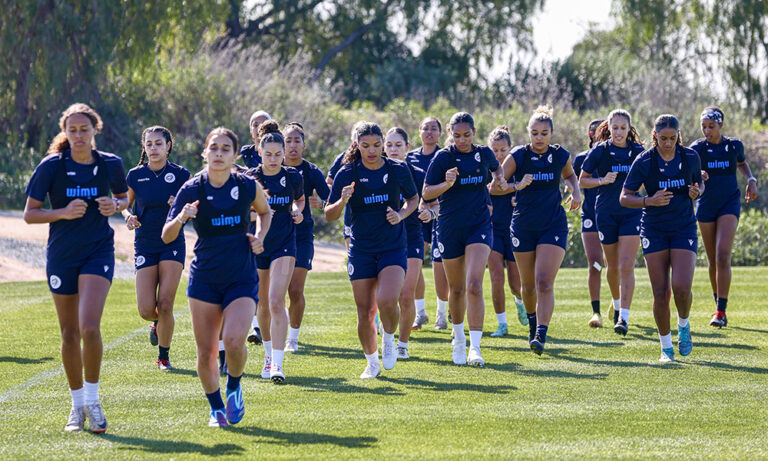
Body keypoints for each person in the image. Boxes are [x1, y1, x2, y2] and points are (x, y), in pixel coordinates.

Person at [24, 103, 129, 433]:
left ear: (95, 130)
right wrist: (63, 212)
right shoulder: (51, 167)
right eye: (73, 130)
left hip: (98, 252)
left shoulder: (110, 164)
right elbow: (30, 214)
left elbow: (125, 199)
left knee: (88, 327)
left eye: (85, 129)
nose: (79, 135)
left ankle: (95, 402)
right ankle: (77, 405)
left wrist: (117, 205)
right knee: (69, 332)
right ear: (65, 132)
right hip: (62, 255)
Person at [162, 127, 271, 426]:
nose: (219, 153)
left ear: (235, 155)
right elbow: (166, 234)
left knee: (235, 340)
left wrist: (260, 236)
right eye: (214, 148)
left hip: (241, 275)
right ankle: (215, 408)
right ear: (205, 153)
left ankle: (234, 387)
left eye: (225, 149)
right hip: (205, 278)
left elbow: (266, 212)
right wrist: (183, 217)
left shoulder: (247, 186)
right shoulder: (193, 188)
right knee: (207, 350)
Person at [325, 122, 418, 378]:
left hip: (392, 246)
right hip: (361, 249)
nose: (372, 150)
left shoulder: (397, 168)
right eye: (365, 146)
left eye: (377, 145)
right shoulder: (347, 173)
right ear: (357, 145)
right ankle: (372, 362)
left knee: (387, 299)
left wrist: (400, 215)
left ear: (383, 144)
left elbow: (413, 199)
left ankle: (389, 338)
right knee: (365, 310)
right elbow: (329, 214)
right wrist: (343, 201)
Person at [423, 112, 508, 367]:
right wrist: (446, 185)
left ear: (474, 132)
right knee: (456, 289)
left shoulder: (484, 154)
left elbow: (497, 169)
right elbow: (426, 193)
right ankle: (458, 341)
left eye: (467, 135)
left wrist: (499, 179)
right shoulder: (443, 158)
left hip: (479, 225)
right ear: (449, 132)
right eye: (457, 135)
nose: (462, 140)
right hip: (449, 228)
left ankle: (476, 348)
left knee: (473, 284)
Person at [620, 114, 702, 362]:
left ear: (678, 136)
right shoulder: (644, 161)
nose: (668, 143)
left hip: (683, 227)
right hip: (653, 229)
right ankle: (666, 348)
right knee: (660, 291)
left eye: (673, 138)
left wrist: (697, 191)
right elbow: (624, 197)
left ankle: (684, 325)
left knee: (681, 287)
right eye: (663, 138)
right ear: (654, 137)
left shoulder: (690, 157)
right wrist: (649, 201)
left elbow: (699, 184)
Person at [501, 106, 581, 356]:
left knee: (544, 281)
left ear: (551, 133)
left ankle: (541, 334)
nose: (539, 138)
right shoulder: (518, 156)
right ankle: (533, 323)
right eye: (534, 133)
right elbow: (496, 185)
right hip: (523, 225)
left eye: (544, 133)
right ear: (528, 133)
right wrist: (517, 184)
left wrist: (575, 191)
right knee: (527, 285)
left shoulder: (559, 155)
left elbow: (570, 176)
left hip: (552, 224)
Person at [123, 126, 190, 369]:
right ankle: (155, 324)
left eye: (158, 143)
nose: (153, 148)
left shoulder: (182, 175)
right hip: (144, 244)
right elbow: (125, 204)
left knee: (165, 304)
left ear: (168, 146)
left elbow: (193, 208)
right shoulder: (134, 175)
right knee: (145, 309)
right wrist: (127, 216)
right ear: (144, 147)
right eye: (149, 144)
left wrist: (180, 205)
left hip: (172, 244)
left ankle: (163, 357)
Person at [246, 121, 305, 383]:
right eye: (267, 154)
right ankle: (268, 357)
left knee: (275, 300)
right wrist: (254, 213)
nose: (273, 159)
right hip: (259, 245)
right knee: (261, 304)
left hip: (285, 244)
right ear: (260, 152)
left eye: (277, 154)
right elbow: (241, 209)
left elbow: (300, 199)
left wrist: (297, 210)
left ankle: (278, 365)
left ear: (284, 154)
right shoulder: (250, 178)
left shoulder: (293, 177)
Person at [690, 106, 758, 327]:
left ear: (721, 125)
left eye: (711, 126)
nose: (707, 131)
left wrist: (751, 180)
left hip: (729, 204)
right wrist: (697, 174)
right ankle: (717, 302)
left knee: (722, 256)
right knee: (712, 260)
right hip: (706, 205)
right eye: (704, 126)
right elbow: (686, 171)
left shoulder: (734, 146)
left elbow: (742, 164)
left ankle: (721, 311)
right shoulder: (697, 149)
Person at [579, 110, 645, 336]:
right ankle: (616, 305)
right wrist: (601, 180)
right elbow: (582, 180)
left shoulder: (638, 151)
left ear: (629, 129)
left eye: (623, 128)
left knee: (627, 264)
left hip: (631, 212)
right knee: (612, 265)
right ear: (609, 128)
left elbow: (652, 175)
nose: (618, 132)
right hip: (605, 213)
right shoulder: (600, 150)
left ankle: (624, 317)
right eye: (615, 128)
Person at [384, 127, 438, 359]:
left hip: (412, 237)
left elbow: (435, 204)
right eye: (390, 145)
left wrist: (430, 214)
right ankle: (387, 338)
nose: (394, 149)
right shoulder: (377, 172)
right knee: (387, 297)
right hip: (383, 239)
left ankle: (403, 346)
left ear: (408, 147)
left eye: (398, 145)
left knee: (406, 295)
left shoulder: (418, 174)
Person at [282, 122, 331, 351]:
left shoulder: (311, 171)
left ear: (304, 144)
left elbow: (330, 201)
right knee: (276, 290)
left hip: (301, 236)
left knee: (295, 289)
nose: (292, 146)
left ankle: (293, 338)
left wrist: (321, 203)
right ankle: (273, 331)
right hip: (276, 237)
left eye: (296, 141)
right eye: (288, 141)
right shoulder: (272, 167)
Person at [406, 117, 450, 330]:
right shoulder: (410, 157)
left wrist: (433, 209)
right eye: (426, 128)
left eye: (434, 129)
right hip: (416, 217)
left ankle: (442, 314)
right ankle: (420, 312)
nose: (429, 132)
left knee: (441, 268)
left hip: (440, 215)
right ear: (419, 131)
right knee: (415, 265)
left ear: (440, 133)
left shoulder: (444, 156)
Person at [486, 126, 526, 337]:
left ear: (510, 149)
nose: (499, 154)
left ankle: (519, 302)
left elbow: (526, 188)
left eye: (503, 150)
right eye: (495, 150)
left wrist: (517, 190)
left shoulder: (517, 167)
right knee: (496, 278)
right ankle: (502, 324)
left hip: (515, 229)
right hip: (491, 229)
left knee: (515, 283)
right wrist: (516, 186)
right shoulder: (485, 168)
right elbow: (492, 188)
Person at [572, 119, 606, 328]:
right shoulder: (581, 159)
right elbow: (574, 182)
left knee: (617, 266)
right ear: (591, 135)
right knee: (595, 264)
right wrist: (572, 193)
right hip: (591, 217)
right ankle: (596, 312)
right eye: (600, 133)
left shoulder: (618, 156)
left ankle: (619, 305)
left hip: (615, 217)